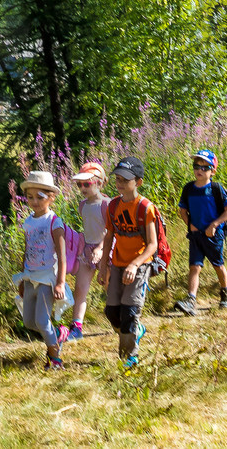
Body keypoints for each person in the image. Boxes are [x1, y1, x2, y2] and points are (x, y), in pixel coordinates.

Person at [96, 155, 157, 369]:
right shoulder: (113, 206)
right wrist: (104, 267)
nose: (120, 183)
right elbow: (109, 237)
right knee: (112, 313)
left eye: (125, 180)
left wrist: (135, 264)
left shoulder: (145, 208)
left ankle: (129, 358)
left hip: (139, 266)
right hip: (118, 264)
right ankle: (135, 332)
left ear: (138, 182)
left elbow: (152, 245)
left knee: (129, 312)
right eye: (118, 179)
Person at [12, 171, 69, 370]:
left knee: (42, 321)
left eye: (40, 197)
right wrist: (22, 278)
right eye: (30, 197)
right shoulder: (28, 222)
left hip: (46, 278)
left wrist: (60, 282)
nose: (34, 201)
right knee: (29, 321)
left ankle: (55, 359)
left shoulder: (54, 222)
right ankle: (58, 334)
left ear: (51, 198)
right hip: (30, 277)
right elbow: (27, 250)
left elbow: (62, 256)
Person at [175, 149, 227, 314]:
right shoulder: (188, 189)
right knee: (194, 267)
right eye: (196, 166)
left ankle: (225, 293)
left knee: (218, 265)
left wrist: (214, 225)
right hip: (196, 235)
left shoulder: (216, 189)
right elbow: (182, 211)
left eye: (205, 167)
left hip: (214, 235)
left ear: (213, 171)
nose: (199, 170)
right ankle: (191, 300)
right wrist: (190, 224)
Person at [66, 160, 108, 340]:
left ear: (99, 183)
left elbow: (111, 231)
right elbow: (87, 228)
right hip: (87, 250)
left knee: (109, 286)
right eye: (79, 184)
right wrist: (85, 249)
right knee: (80, 289)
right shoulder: (83, 205)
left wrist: (100, 249)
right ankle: (77, 326)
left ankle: (123, 319)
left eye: (87, 183)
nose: (82, 188)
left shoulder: (107, 204)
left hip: (105, 249)